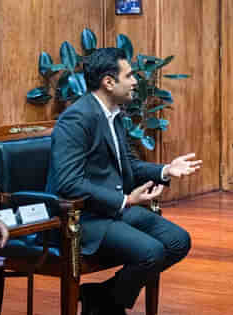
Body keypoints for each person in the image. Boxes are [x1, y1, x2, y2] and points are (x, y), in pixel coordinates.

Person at [46, 48, 202, 315]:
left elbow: (128, 165)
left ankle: (103, 297)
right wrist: (126, 200)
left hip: (112, 212)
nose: (134, 81)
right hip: (83, 218)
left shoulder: (114, 114)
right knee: (151, 251)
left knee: (178, 241)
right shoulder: (77, 119)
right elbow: (68, 182)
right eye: (129, 75)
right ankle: (107, 302)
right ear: (109, 82)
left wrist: (165, 170)